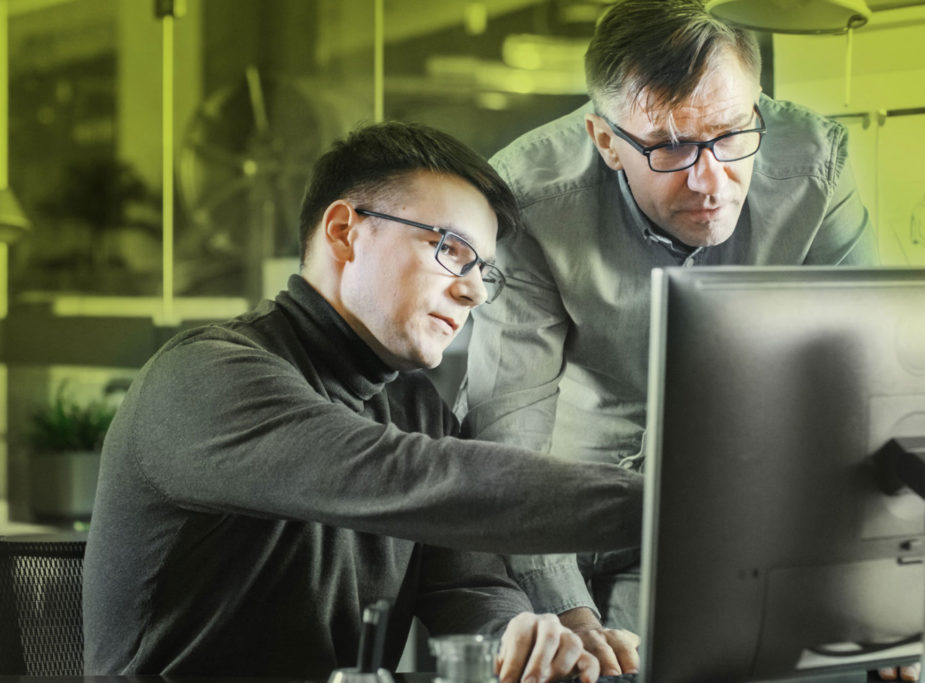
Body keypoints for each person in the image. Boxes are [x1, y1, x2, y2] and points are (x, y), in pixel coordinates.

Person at [82, 121, 645, 683]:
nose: (472, 290)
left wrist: (515, 639)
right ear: (345, 232)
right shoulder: (204, 378)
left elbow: (466, 582)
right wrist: (670, 508)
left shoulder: (416, 407)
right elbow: (412, 478)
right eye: (450, 248)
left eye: (483, 270)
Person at [458, 0, 884, 676]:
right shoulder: (527, 199)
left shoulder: (816, 166)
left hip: (713, 512)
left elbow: (865, 381)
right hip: (553, 509)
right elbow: (510, 442)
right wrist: (569, 614)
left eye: (730, 133)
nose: (711, 180)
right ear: (606, 141)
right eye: (671, 146)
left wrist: (876, 591)